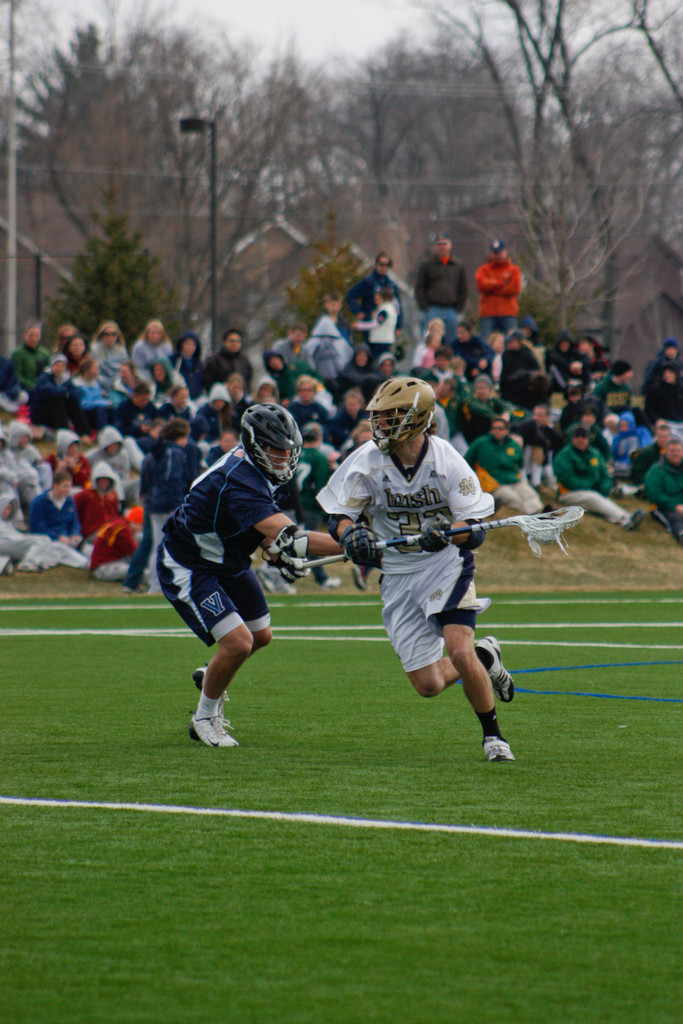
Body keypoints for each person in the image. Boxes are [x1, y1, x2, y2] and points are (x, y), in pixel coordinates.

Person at [316, 376, 515, 762]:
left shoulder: (446, 461)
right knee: (428, 685)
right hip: (397, 573)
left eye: (391, 417)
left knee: (458, 649)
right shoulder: (367, 459)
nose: (381, 425)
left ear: (417, 418)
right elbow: (339, 516)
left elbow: (474, 532)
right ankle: (486, 656)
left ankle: (493, 736)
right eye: (381, 416)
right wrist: (351, 535)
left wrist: (446, 534)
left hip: (445, 565)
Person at [157, 403, 343, 747]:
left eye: (289, 448)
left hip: (227, 557)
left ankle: (213, 674)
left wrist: (272, 549)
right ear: (255, 444)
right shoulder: (239, 479)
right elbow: (295, 538)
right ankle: (204, 718)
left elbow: (250, 526)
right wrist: (351, 543)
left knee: (261, 635)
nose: (285, 456)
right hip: (192, 562)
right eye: (276, 448)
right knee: (239, 642)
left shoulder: (255, 468)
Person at [140, 418, 196, 595]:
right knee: (176, 547)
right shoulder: (175, 453)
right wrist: (177, 505)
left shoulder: (158, 452)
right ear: (181, 435)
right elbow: (173, 479)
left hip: (156, 505)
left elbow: (148, 479)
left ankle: (155, 585)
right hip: (168, 506)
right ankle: (170, 585)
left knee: (158, 546)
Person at [552, 427, 645, 529]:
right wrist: (591, 486)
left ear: (588, 439)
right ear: (572, 438)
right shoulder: (564, 455)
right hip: (568, 493)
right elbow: (568, 481)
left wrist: (604, 488)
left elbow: (605, 475)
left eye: (583, 437)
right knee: (593, 497)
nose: (580, 439)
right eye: (577, 436)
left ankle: (623, 517)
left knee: (600, 499)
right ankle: (625, 518)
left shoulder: (594, 453)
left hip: (591, 491)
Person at [293, 421, 341, 590]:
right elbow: (322, 486)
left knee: (297, 541)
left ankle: (321, 578)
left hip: (294, 503)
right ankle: (322, 579)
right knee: (309, 544)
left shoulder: (296, 454)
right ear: (319, 437)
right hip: (310, 505)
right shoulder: (319, 457)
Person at [465, 416, 543, 515]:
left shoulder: (513, 445)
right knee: (513, 498)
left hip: (513, 480)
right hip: (494, 484)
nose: (496, 431)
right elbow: (466, 462)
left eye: (500, 429)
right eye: (494, 428)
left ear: (507, 431)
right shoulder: (481, 443)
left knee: (530, 494)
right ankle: (534, 515)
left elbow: (519, 464)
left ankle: (542, 513)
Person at [0, 492, 89, 573]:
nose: (7, 511)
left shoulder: (9, 524)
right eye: (6, 508)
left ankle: (86, 563)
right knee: (43, 540)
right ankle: (28, 564)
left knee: (57, 547)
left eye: (10, 509)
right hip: (5, 543)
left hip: (17, 544)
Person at [414, 232, 468, 347]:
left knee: (452, 342)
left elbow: (463, 289)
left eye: (445, 243)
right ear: (435, 246)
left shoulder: (458, 266)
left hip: (451, 310)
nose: (442, 246)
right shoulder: (427, 265)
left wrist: (459, 308)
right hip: (433, 309)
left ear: (450, 245)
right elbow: (419, 288)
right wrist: (425, 307)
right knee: (430, 341)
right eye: (439, 244)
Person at [304, 294, 354, 398]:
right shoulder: (323, 323)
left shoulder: (343, 324)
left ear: (340, 306)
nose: (334, 308)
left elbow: (346, 344)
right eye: (332, 305)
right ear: (327, 306)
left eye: (336, 305)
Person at [29, 353, 90, 437]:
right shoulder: (44, 377)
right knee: (58, 401)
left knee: (73, 402)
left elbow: (77, 392)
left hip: (56, 414)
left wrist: (67, 393)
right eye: (57, 365)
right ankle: (64, 434)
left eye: (62, 366)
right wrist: (65, 392)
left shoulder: (66, 379)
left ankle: (84, 433)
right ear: (52, 366)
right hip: (40, 413)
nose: (59, 368)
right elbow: (49, 391)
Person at [474, 239, 523, 342]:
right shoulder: (483, 270)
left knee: (511, 341)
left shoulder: (513, 270)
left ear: (505, 252)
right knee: (486, 342)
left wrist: (492, 287)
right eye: (495, 253)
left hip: (508, 312)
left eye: (500, 252)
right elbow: (481, 286)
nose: (497, 255)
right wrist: (502, 283)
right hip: (488, 313)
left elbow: (515, 288)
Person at [346, 252, 403, 329]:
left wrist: (398, 326)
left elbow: (398, 306)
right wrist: (357, 311)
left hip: (387, 325)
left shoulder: (391, 285)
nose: (384, 267)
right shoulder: (369, 282)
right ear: (376, 264)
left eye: (387, 265)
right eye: (381, 264)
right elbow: (351, 294)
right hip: (370, 322)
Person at [29, 469, 83, 546]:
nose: (68, 489)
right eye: (65, 486)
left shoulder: (69, 501)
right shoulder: (40, 502)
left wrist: (75, 533)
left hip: (67, 541)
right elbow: (37, 528)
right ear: (55, 485)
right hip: (47, 542)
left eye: (70, 486)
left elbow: (74, 522)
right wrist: (57, 537)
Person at [644, 438, 683, 542]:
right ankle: (681, 534)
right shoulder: (656, 471)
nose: (675, 453)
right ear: (666, 452)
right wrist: (675, 506)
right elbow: (654, 494)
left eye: (678, 451)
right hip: (662, 507)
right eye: (672, 451)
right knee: (675, 519)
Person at [351, 286, 399, 360]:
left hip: (381, 341)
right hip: (385, 340)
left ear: (385, 298)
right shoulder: (390, 308)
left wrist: (359, 325)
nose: (376, 301)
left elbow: (375, 324)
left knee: (379, 361)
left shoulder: (385, 310)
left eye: (378, 299)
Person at [202, 327, 253, 393]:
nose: (235, 344)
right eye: (232, 341)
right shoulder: (214, 361)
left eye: (238, 341)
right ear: (225, 342)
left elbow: (248, 381)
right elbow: (207, 381)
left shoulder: (244, 362)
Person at [11, 321, 50, 393]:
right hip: (25, 389)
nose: (33, 338)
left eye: (36, 335)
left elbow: (48, 372)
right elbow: (16, 375)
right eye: (31, 335)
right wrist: (31, 385)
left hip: (42, 388)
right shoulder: (18, 354)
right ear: (25, 335)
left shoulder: (44, 353)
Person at [631, 420, 672, 488]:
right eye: (660, 437)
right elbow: (636, 474)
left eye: (665, 437)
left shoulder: (676, 452)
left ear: (670, 437)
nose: (663, 439)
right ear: (656, 437)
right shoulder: (646, 453)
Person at [90, 321, 128, 392]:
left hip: (117, 382)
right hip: (99, 381)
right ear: (102, 335)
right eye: (107, 334)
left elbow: (124, 369)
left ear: (117, 336)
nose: (110, 337)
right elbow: (92, 369)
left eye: (113, 334)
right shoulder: (95, 349)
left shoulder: (122, 350)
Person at [173, 331, 205, 401]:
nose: (190, 347)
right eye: (188, 344)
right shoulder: (174, 361)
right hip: (181, 399)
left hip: (198, 398)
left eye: (193, 345)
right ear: (182, 344)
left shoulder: (198, 364)